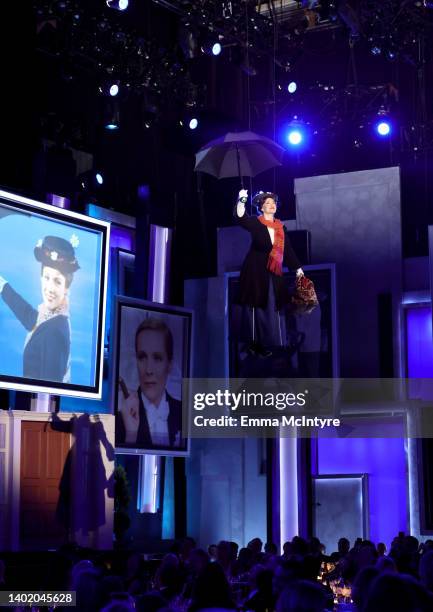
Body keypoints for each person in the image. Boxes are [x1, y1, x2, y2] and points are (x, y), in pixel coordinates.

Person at [0, 235, 79, 382]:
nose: (49, 288)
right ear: (41, 277)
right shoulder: (52, 317)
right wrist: (2, 285)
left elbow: (49, 388)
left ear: (66, 288)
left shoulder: (54, 332)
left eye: (57, 281)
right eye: (47, 277)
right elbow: (29, 317)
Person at [235, 189, 304, 356]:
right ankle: (254, 343)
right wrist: (241, 199)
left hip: (273, 271)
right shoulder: (256, 223)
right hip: (255, 270)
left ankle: (276, 342)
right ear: (261, 207)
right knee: (256, 304)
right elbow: (241, 218)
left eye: (273, 203)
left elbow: (287, 250)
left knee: (275, 303)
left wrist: (297, 268)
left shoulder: (280, 227)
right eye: (267, 203)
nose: (271, 205)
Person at [117, 317, 183, 449]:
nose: (148, 370)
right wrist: (131, 434)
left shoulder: (184, 414)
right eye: (142, 357)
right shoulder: (121, 421)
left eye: (157, 358)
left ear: (169, 364)